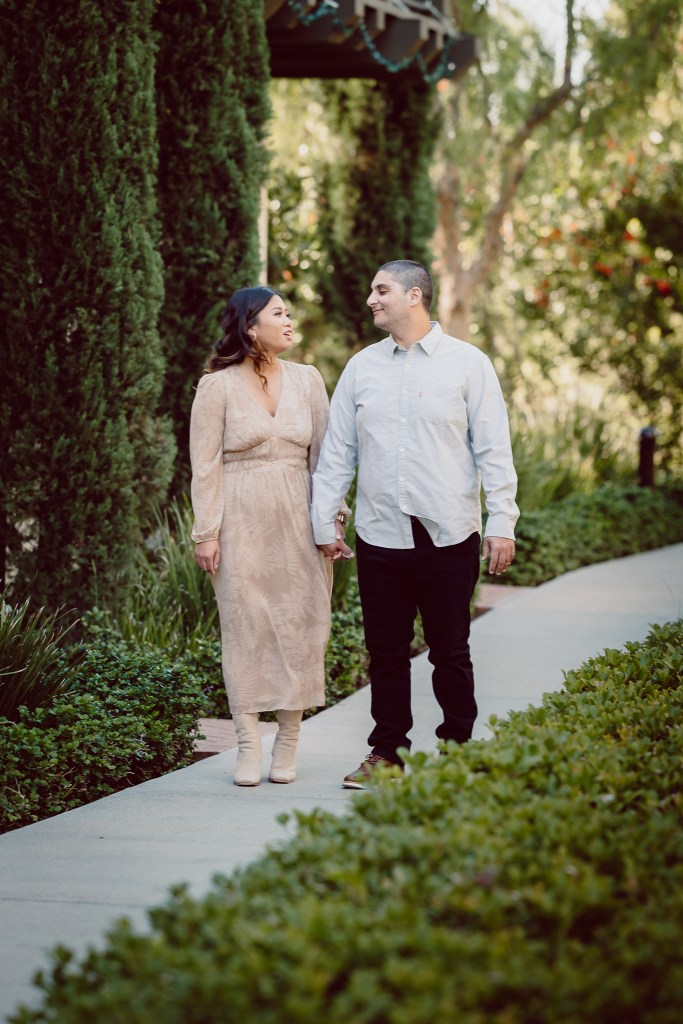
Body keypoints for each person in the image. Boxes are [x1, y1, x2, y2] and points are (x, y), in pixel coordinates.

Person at [311, 260, 519, 789]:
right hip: (379, 534)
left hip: (448, 533)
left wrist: (502, 520)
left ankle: (457, 753)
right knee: (385, 653)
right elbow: (338, 452)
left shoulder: (468, 364)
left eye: (381, 290)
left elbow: (493, 449)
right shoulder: (361, 368)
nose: (371, 299)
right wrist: (325, 520)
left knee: (450, 651)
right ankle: (387, 754)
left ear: (414, 296)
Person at [190, 286, 347, 787]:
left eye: (288, 312)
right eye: (278, 313)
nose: (288, 320)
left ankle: (289, 742)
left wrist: (332, 522)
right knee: (245, 628)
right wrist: (206, 533)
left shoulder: (308, 379)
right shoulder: (216, 387)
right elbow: (204, 467)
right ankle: (247, 744)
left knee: (301, 624)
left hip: (299, 522)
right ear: (250, 326)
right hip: (240, 522)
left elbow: (326, 462)